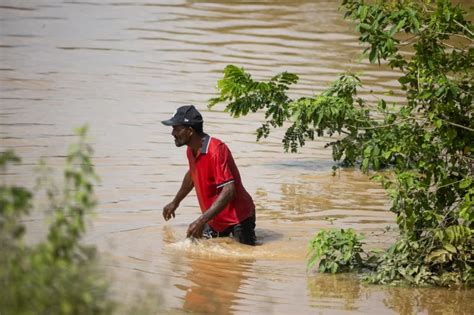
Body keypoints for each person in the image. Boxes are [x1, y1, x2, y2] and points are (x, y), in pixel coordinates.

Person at [161, 105, 256, 245]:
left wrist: (200, 221)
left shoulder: (216, 150)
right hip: (215, 219)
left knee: (243, 260)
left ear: (190, 131)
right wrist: (175, 202)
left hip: (238, 218)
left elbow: (229, 190)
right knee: (198, 251)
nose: (172, 133)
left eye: (176, 128)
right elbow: (192, 175)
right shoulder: (191, 150)